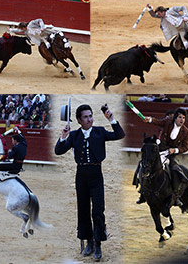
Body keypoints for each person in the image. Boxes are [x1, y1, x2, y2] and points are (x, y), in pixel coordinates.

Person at [55, 104, 125, 261]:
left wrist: (111, 119)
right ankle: (89, 242)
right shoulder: (73, 135)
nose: (89, 119)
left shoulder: (100, 132)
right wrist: (63, 136)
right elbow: (58, 151)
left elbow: (119, 134)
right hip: (81, 176)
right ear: (79, 120)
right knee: (83, 210)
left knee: (98, 211)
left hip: (96, 175)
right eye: (85, 117)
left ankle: (98, 243)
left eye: (90, 116)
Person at [137, 108, 188, 207]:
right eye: (179, 117)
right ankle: (142, 191)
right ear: (175, 118)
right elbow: (158, 122)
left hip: (170, 155)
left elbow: (185, 147)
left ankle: (176, 195)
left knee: (175, 170)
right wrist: (149, 119)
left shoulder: (185, 131)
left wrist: (175, 150)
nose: (182, 120)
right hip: (159, 151)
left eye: (183, 118)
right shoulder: (168, 122)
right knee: (143, 164)